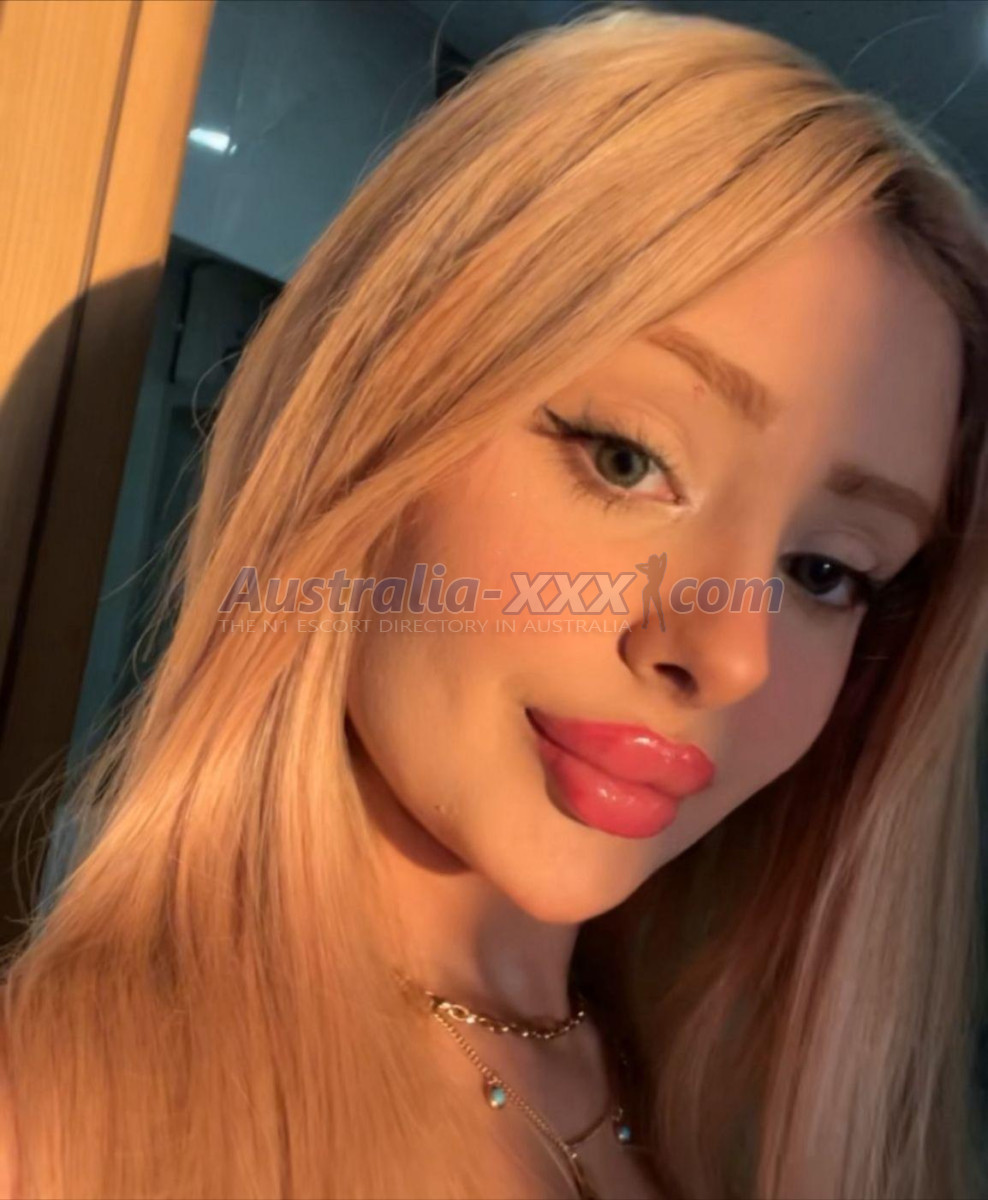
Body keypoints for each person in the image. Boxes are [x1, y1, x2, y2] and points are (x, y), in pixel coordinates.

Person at [1, 3, 987, 1196]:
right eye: (625, 458)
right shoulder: (49, 1131)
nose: (731, 654)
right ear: (369, 423)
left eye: (824, 569)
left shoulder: (765, 1133)